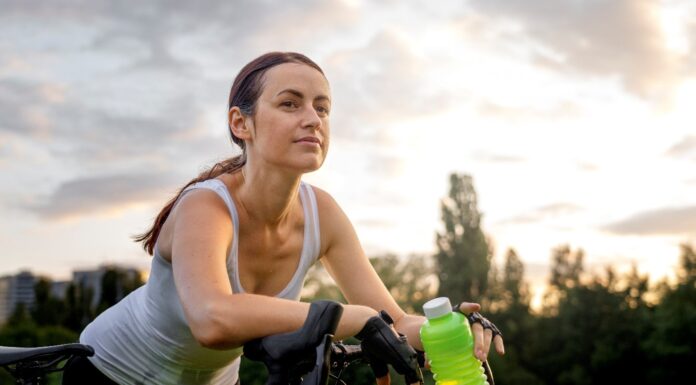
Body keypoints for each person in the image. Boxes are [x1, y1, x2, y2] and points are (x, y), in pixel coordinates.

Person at [64, 52, 504, 385]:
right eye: (290, 104)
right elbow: (212, 319)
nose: (313, 119)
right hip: (110, 373)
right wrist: (344, 317)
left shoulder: (323, 213)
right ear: (241, 123)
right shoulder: (207, 206)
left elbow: (391, 323)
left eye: (322, 107)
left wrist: (446, 329)